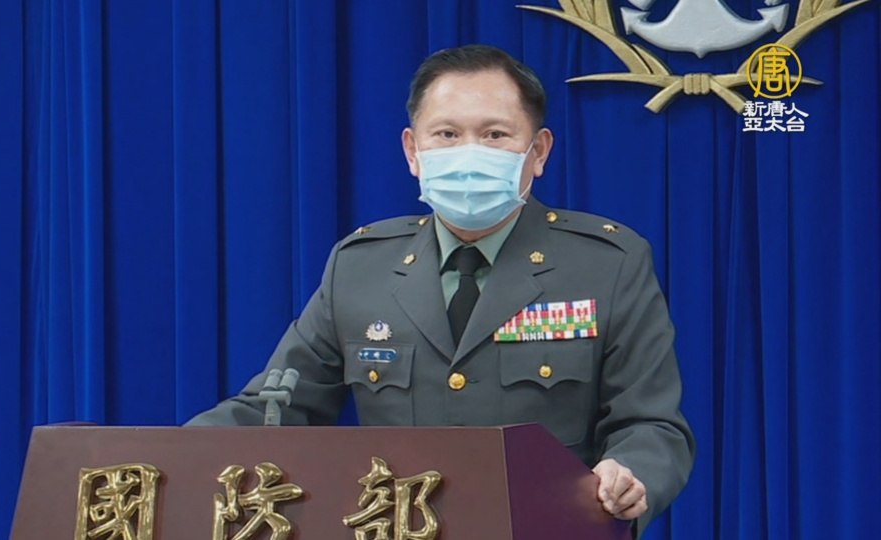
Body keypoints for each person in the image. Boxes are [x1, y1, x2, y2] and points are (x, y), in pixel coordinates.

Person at [187, 44, 695, 535]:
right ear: (413, 150)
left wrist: (630, 473)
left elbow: (652, 425)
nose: (468, 153)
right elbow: (276, 407)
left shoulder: (606, 265)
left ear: (538, 151)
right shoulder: (360, 266)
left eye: (494, 134)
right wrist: (166, 454)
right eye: (447, 134)